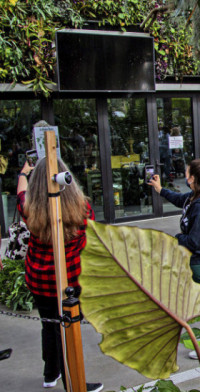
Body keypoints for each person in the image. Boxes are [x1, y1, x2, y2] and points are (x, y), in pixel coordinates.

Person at [17, 158, 103, 392]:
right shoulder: (83, 208)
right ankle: (74, 382)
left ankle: (50, 373)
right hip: (72, 281)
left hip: (40, 281)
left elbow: (21, 195)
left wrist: (23, 174)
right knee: (67, 332)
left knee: (49, 326)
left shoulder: (30, 209)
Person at [148, 159, 200, 357]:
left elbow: (196, 241)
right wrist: (160, 189)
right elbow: (180, 200)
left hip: (198, 262)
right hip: (195, 260)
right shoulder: (195, 197)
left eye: (187, 173)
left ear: (193, 179)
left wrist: (177, 239)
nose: (185, 176)